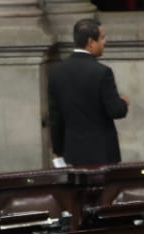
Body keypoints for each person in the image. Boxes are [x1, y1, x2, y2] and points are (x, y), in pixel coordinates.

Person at [47, 19, 129, 168]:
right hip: (102, 155)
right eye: (102, 38)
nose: (105, 42)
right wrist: (123, 102)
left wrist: (58, 152)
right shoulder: (102, 72)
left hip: (72, 154)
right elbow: (116, 111)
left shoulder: (56, 72)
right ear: (91, 42)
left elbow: (55, 118)